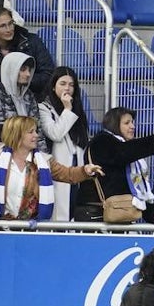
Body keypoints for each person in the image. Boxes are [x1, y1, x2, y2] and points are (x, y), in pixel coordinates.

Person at [0, 115, 100, 225]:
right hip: (0, 227)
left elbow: (68, 174)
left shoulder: (44, 161)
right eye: (31, 132)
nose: (36, 135)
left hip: (32, 228)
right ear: (17, 134)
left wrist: (85, 170)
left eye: (36, 131)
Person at [74, 108, 154, 225]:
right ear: (114, 124)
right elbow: (123, 153)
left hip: (116, 215)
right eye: (127, 123)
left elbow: (137, 188)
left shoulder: (125, 147)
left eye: (132, 122)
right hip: (94, 214)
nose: (132, 126)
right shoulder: (101, 141)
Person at [37, 66, 90, 221]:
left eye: (71, 84)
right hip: (56, 167)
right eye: (62, 83)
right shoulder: (44, 107)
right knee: (59, 213)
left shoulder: (77, 109)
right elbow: (55, 133)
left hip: (76, 165)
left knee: (74, 209)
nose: (67, 88)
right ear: (53, 87)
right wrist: (67, 109)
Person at [0, 52, 45, 156]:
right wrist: (10, 156)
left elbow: (39, 134)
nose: (28, 74)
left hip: (30, 162)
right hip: (3, 164)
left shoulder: (29, 97)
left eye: (29, 70)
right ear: (11, 70)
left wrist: (43, 160)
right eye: (23, 69)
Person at [0, 8, 54, 97]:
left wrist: (22, 80)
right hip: (0, 99)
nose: (9, 29)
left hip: (33, 97)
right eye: (2, 26)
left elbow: (48, 74)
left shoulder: (32, 42)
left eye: (11, 24)